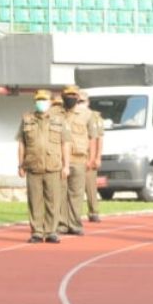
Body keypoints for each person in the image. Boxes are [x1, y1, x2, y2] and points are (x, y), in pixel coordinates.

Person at [17, 89, 71, 243]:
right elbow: (21, 143)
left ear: (49, 102)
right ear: (35, 102)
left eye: (44, 100)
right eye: (39, 100)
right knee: (35, 201)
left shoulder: (59, 120)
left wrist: (66, 166)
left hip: (53, 165)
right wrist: (20, 164)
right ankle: (37, 231)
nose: (41, 103)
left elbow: (65, 144)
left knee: (53, 200)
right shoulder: (27, 119)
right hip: (33, 165)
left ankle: (51, 231)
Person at [58, 85, 90, 236]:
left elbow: (93, 137)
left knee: (76, 193)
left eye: (73, 95)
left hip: (78, 158)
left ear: (78, 98)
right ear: (63, 96)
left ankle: (75, 224)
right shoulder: (55, 114)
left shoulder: (86, 115)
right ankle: (62, 224)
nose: (70, 97)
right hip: (59, 158)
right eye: (68, 95)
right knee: (61, 193)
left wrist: (92, 158)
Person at [83, 90, 104, 222]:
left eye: (82, 101)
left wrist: (97, 157)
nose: (80, 104)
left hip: (89, 154)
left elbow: (99, 138)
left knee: (90, 186)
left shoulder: (95, 117)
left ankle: (93, 211)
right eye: (78, 101)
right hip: (76, 154)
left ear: (88, 102)